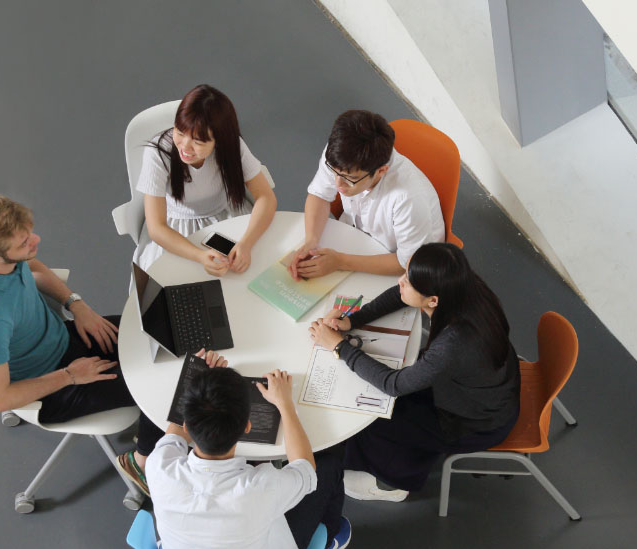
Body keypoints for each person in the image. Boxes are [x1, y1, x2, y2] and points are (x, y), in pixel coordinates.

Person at [0, 192, 160, 495]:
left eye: (29, 232)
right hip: (53, 386)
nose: (35, 241)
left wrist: (76, 305)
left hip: (62, 338)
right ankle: (140, 463)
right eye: (24, 242)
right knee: (158, 387)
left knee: (152, 328)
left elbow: (33, 266)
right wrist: (71, 376)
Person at [307, 242, 520, 501]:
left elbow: (392, 384)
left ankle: (395, 484)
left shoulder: (453, 344)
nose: (400, 281)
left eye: (408, 281)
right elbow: (402, 293)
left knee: (373, 420)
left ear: (432, 300)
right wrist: (353, 320)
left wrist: (338, 346)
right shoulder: (463, 287)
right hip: (488, 388)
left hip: (474, 422)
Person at [145, 351, 350, 549]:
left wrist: (199, 382)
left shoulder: (159, 467)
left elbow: (174, 434)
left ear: (187, 425)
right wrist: (285, 404)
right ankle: (326, 544)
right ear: (247, 427)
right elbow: (305, 468)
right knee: (328, 464)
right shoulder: (260, 488)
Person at [135, 84, 277, 274]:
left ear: (219, 140)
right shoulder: (158, 152)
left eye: (198, 141)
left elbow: (266, 197)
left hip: (228, 216)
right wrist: (199, 256)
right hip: (175, 228)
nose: (185, 146)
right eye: (179, 132)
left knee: (255, 271)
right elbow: (156, 228)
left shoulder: (232, 146)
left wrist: (246, 244)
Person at [288, 110, 444, 280]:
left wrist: (341, 262)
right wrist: (311, 240)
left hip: (398, 263)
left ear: (380, 171)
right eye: (334, 172)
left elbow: (407, 262)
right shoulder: (340, 157)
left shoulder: (408, 198)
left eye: (350, 179)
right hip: (356, 236)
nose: (338, 183)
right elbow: (320, 195)